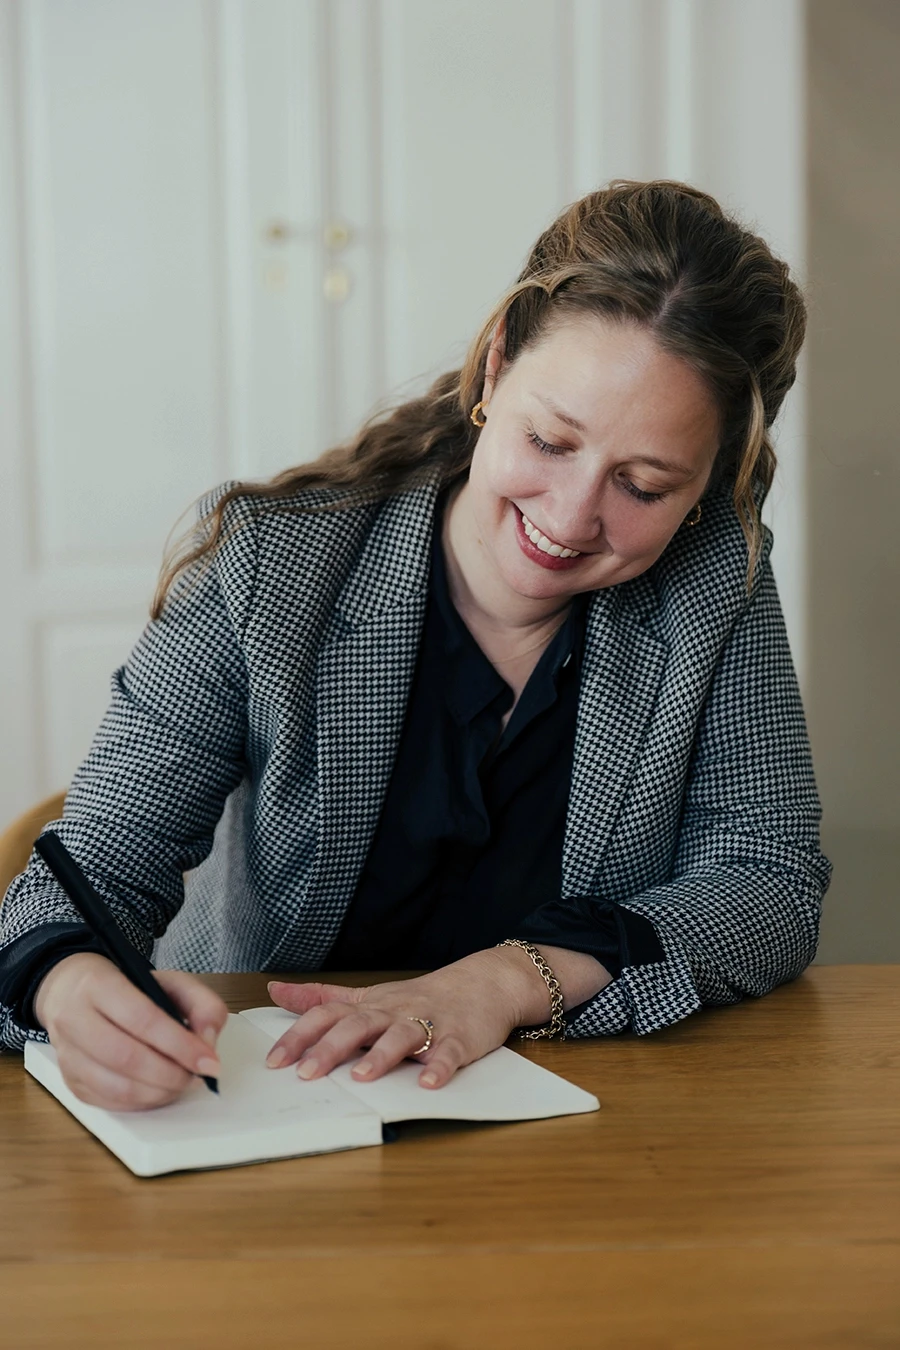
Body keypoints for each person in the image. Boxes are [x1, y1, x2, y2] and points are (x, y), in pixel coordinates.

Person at [0, 180, 830, 1110]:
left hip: (574, 1134)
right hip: (270, 1105)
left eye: (642, 486)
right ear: (496, 365)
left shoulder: (713, 582)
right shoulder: (270, 566)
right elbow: (92, 868)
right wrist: (64, 982)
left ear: (711, 485)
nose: (569, 518)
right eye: (551, 441)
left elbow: (770, 880)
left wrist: (504, 982)